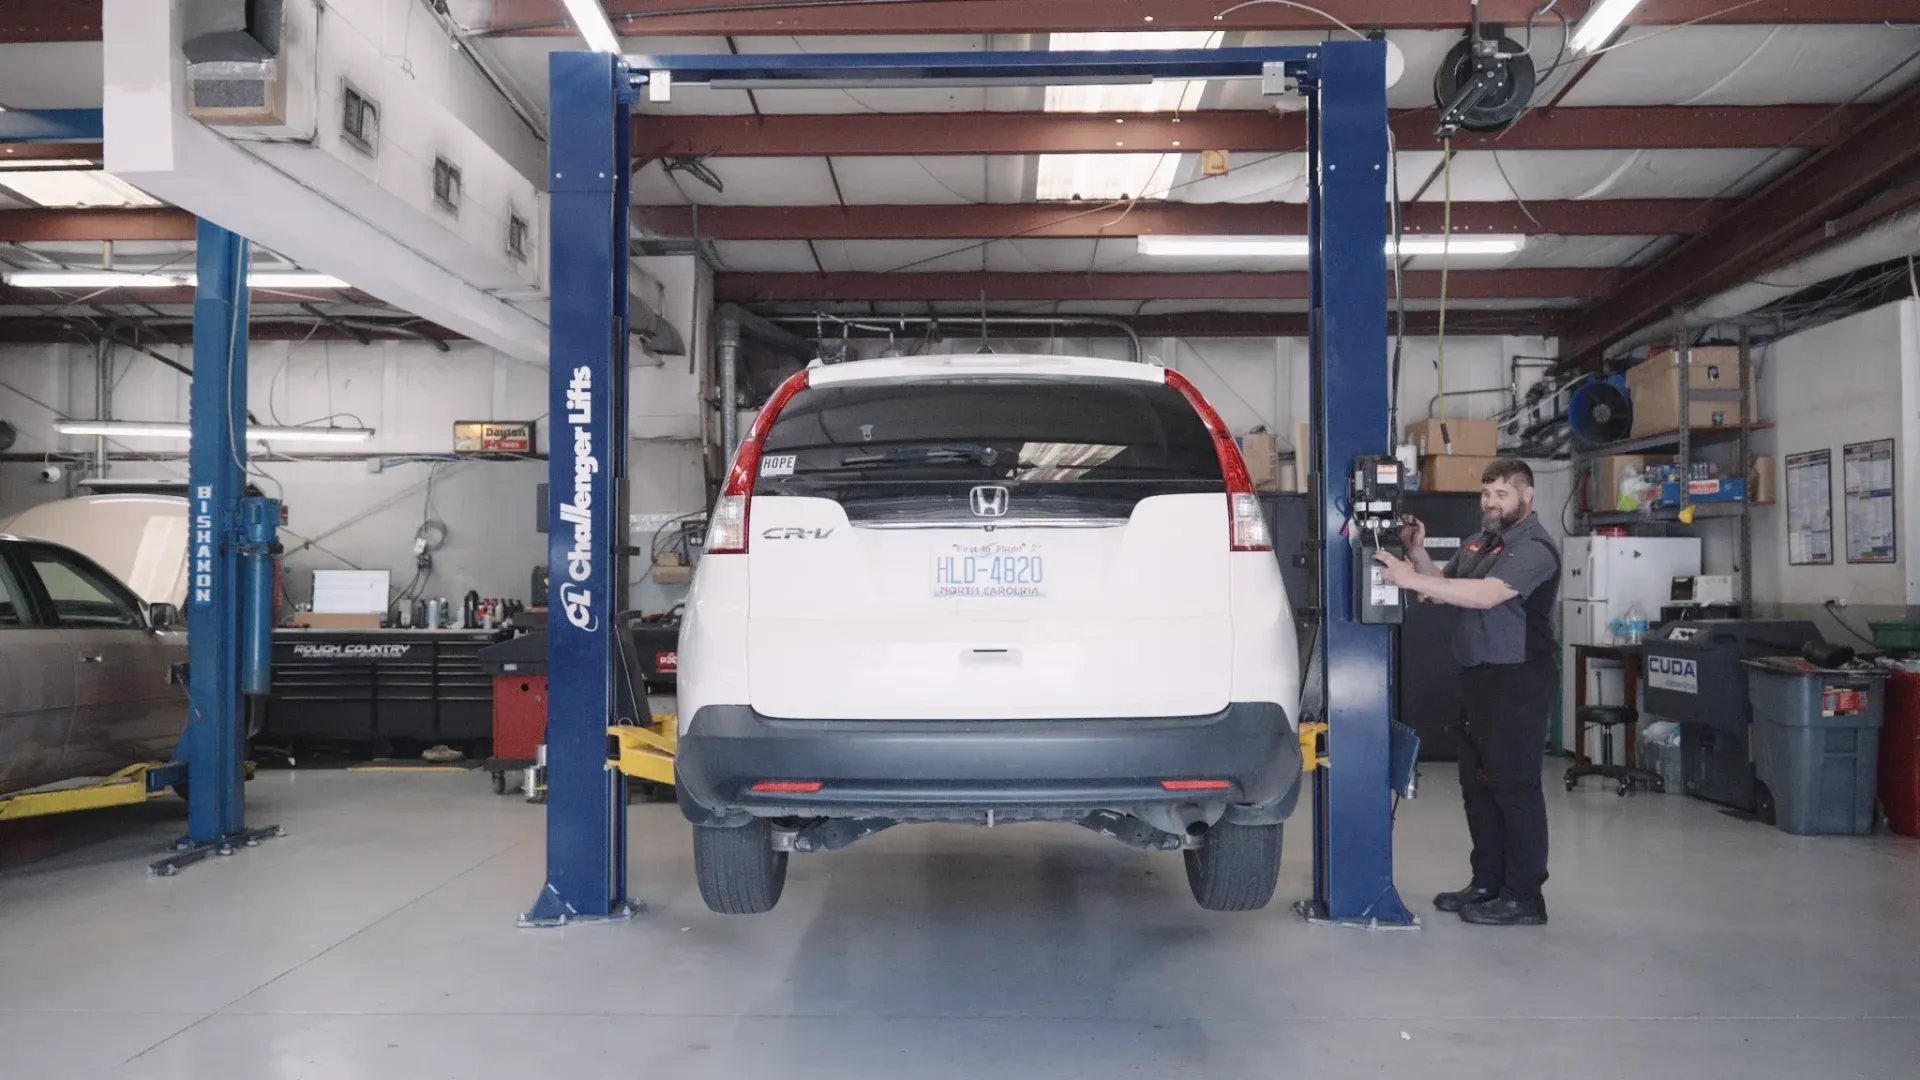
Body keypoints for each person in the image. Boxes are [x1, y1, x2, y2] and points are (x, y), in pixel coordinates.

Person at [1372, 458, 1560, 927]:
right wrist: (1416, 555)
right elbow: (1441, 589)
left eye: (1501, 495)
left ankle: (1524, 896)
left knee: (1514, 788)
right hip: (1477, 679)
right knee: (1478, 788)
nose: (1490, 502)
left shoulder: (1534, 547)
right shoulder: (1482, 542)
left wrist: (1406, 578)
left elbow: (1486, 595)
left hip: (1516, 681)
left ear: (1526, 497)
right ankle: (1487, 882)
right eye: (1486, 493)